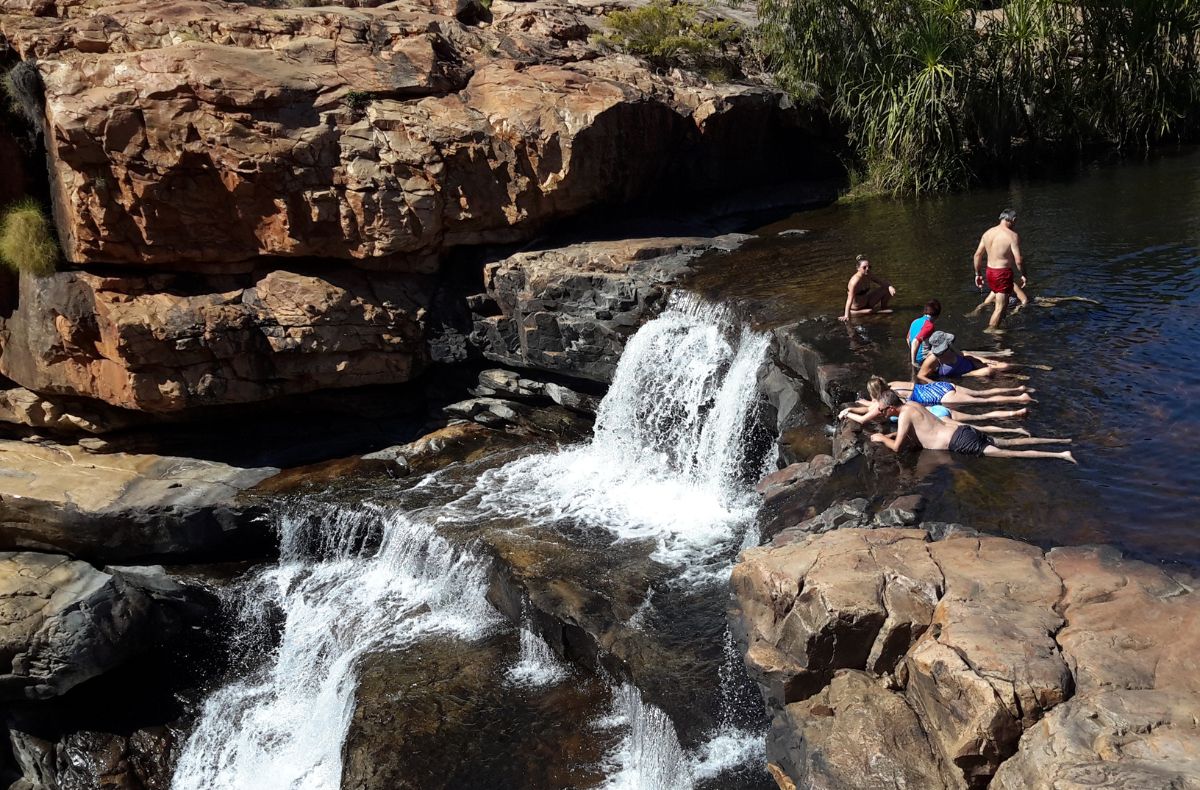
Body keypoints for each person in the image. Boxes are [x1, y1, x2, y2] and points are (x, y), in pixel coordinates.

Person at [869, 395, 1075, 462]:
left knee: (1010, 453)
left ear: (890, 408)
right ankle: (1060, 441)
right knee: (1009, 442)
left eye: (881, 410)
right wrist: (893, 433)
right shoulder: (912, 405)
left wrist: (881, 438)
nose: (880, 413)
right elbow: (916, 431)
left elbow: (897, 447)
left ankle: (1060, 454)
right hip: (963, 430)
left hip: (959, 441)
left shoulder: (903, 415)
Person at [838, 377, 1030, 428]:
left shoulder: (886, 400)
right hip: (939, 387)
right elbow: (873, 405)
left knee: (982, 407)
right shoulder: (893, 385)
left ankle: (1017, 403)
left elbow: (873, 409)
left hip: (939, 399)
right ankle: (1018, 392)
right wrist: (864, 402)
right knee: (982, 394)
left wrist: (849, 411)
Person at [971, 208, 1030, 329]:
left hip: (990, 271)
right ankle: (991, 330)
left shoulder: (987, 233)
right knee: (1000, 307)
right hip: (1002, 273)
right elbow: (1018, 260)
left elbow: (977, 255)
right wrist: (1024, 274)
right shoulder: (1012, 236)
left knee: (1003, 302)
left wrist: (978, 274)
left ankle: (999, 326)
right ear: (1013, 220)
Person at [917, 331, 1023, 382]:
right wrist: (935, 384)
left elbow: (963, 354)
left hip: (969, 364)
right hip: (963, 374)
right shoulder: (933, 359)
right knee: (988, 371)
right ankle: (1012, 378)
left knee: (1004, 365)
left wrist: (984, 360)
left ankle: (1017, 372)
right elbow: (920, 375)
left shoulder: (950, 346)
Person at [839, 254, 895, 321]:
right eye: (864, 267)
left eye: (869, 267)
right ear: (858, 268)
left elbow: (881, 282)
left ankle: (884, 307)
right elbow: (849, 299)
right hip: (857, 309)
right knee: (876, 311)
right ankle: (855, 313)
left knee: (886, 289)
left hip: (867, 302)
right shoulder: (855, 281)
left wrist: (890, 287)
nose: (867, 269)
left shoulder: (869, 275)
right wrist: (846, 315)